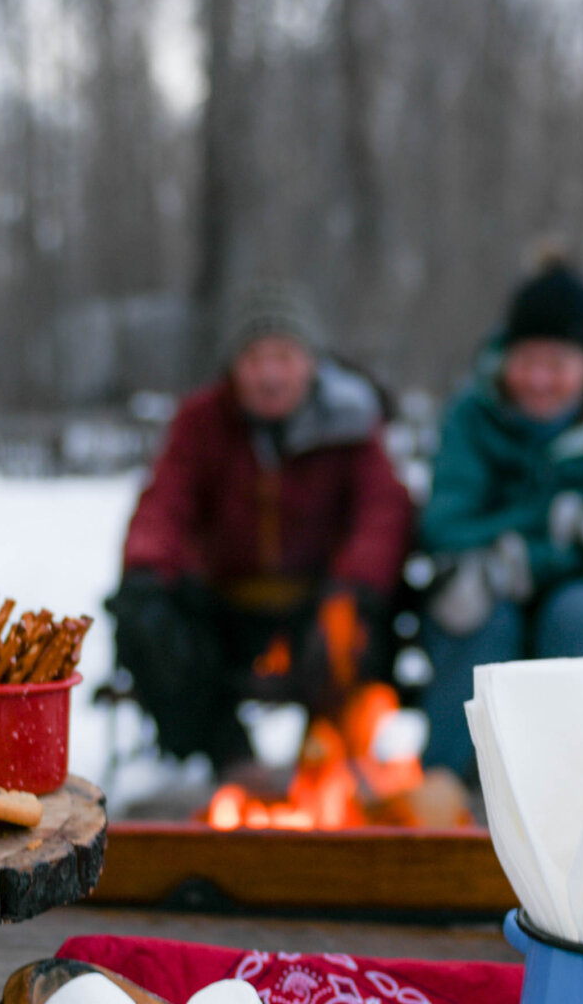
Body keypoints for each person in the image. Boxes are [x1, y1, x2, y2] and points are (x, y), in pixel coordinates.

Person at [110, 281, 415, 773]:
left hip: (320, 601)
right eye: (254, 358)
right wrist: (147, 568)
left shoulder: (353, 423)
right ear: (234, 366)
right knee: (147, 622)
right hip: (226, 606)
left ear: (311, 362)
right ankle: (231, 761)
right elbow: (164, 504)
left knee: (350, 635)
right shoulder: (200, 421)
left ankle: (325, 768)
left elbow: (384, 512)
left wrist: (355, 587)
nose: (269, 375)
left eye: (284, 357)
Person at [418, 257, 583, 785]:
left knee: (579, 616)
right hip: (490, 590)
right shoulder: (471, 416)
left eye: (558, 363)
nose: (539, 379)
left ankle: (582, 791)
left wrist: (528, 553)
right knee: (477, 615)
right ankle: (450, 797)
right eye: (526, 360)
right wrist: (544, 532)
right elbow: (444, 523)